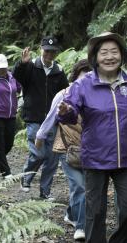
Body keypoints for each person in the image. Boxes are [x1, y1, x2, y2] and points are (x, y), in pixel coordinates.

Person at [58, 32, 127, 243]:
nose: (109, 57)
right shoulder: (83, 85)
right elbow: (71, 112)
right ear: (95, 57)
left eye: (114, 52)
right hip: (95, 159)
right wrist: (65, 111)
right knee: (95, 212)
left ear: (122, 55)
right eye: (104, 52)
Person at [35, 59, 91, 240]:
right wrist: (40, 136)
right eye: (83, 76)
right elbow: (51, 117)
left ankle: (71, 214)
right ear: (75, 77)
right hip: (66, 148)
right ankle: (81, 228)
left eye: (90, 76)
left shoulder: (97, 97)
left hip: (90, 151)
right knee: (80, 186)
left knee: (83, 188)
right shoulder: (64, 95)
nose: (86, 80)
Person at [12, 36, 69, 200]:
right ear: (40, 49)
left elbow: (65, 92)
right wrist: (22, 64)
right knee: (38, 154)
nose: (49, 54)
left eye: (53, 51)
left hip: (53, 119)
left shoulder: (59, 71)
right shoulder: (30, 66)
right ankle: (26, 177)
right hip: (34, 117)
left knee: (52, 158)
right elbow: (17, 77)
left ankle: (45, 192)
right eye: (47, 51)